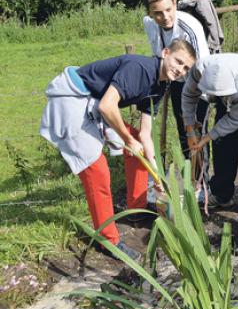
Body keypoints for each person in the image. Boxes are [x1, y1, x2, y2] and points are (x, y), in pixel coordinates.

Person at [39, 39, 196, 260]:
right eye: (178, 61)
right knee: (97, 171)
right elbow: (107, 106)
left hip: (95, 102)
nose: (180, 70)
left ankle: (137, 209)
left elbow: (144, 134)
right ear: (165, 52)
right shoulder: (139, 69)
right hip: (74, 98)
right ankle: (107, 241)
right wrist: (126, 139)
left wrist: (156, 175)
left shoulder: (161, 85)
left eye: (186, 68)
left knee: (137, 148)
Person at [182, 53, 238, 222]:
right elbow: (188, 96)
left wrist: (207, 137)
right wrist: (190, 130)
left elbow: (235, 120)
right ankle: (222, 193)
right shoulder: (199, 69)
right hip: (228, 98)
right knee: (223, 146)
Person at [143, 0, 210, 159]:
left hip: (198, 84)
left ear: (174, 5)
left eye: (168, 10)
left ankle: (202, 181)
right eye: (158, 13)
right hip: (175, 80)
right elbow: (158, 55)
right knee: (182, 128)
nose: (165, 17)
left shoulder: (190, 28)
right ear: (150, 13)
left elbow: (201, 67)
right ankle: (188, 173)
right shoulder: (149, 24)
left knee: (195, 131)